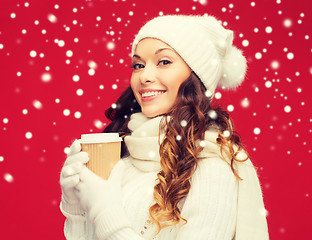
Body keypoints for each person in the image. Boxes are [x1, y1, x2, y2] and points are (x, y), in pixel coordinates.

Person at [60, 14, 269, 239]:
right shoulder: (125, 159)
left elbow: (107, 220)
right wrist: (76, 207)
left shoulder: (211, 167)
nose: (145, 76)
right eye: (138, 65)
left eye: (164, 61)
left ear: (196, 77)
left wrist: (103, 210)